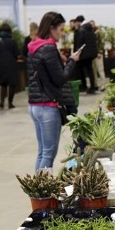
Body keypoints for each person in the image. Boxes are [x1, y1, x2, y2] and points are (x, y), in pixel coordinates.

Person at [26, 11, 81, 170]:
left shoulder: (34, 46)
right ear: (51, 28)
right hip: (47, 106)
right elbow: (60, 78)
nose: (62, 33)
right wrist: (72, 61)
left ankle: (38, 192)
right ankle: (44, 192)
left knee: (43, 151)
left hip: (35, 105)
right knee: (49, 153)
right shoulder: (48, 48)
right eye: (61, 29)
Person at [0, 22, 20, 108]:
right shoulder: (12, 41)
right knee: (12, 84)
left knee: (3, 84)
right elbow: (17, 53)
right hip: (11, 64)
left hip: (1, 64)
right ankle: (10, 103)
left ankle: (2, 101)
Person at [89, 21, 106, 92]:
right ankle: (96, 84)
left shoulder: (98, 32)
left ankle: (103, 85)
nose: (91, 26)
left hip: (98, 54)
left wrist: (100, 52)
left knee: (100, 70)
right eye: (90, 24)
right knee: (94, 71)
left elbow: (101, 43)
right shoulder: (90, 32)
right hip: (92, 54)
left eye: (92, 24)